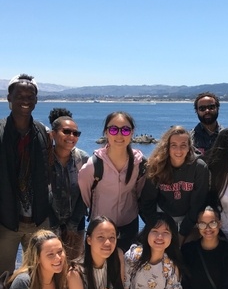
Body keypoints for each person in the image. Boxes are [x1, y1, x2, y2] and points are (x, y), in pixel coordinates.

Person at [0, 74, 52, 274]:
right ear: (9, 99)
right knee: (3, 277)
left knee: (38, 274)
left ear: (36, 101)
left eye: (30, 96)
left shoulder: (41, 132)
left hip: (37, 219)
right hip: (6, 221)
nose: (25, 100)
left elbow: (47, 172)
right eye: (19, 95)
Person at [78, 112, 146, 252]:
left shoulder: (140, 163)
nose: (119, 135)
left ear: (132, 132)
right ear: (106, 132)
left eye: (125, 130)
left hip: (129, 225)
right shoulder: (94, 165)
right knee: (98, 271)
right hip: (100, 228)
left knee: (127, 270)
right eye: (113, 129)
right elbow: (86, 194)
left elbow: (139, 191)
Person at [140, 126, 209, 246]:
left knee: (187, 251)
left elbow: (197, 205)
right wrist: (156, 228)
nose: (179, 150)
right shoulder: (156, 166)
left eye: (183, 145)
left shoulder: (199, 167)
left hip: (188, 218)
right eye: (174, 145)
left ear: (189, 147)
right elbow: (147, 202)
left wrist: (182, 233)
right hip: (162, 216)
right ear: (167, 147)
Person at [48, 108, 89, 261]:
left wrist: (72, 225)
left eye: (76, 133)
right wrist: (55, 227)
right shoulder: (43, 159)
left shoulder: (82, 159)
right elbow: (40, 194)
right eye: (66, 131)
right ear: (53, 134)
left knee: (74, 266)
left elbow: (87, 194)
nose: (71, 136)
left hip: (76, 224)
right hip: (49, 225)